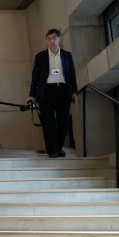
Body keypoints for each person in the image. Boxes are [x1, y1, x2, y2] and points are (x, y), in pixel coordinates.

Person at [26, 28, 78, 158]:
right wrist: (31, 94)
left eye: (54, 38)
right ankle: (52, 150)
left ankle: (58, 146)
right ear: (47, 41)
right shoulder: (40, 57)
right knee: (48, 123)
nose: (51, 41)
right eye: (49, 39)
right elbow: (35, 77)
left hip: (63, 91)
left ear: (59, 39)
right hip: (46, 92)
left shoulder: (67, 55)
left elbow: (71, 75)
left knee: (63, 123)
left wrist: (74, 92)